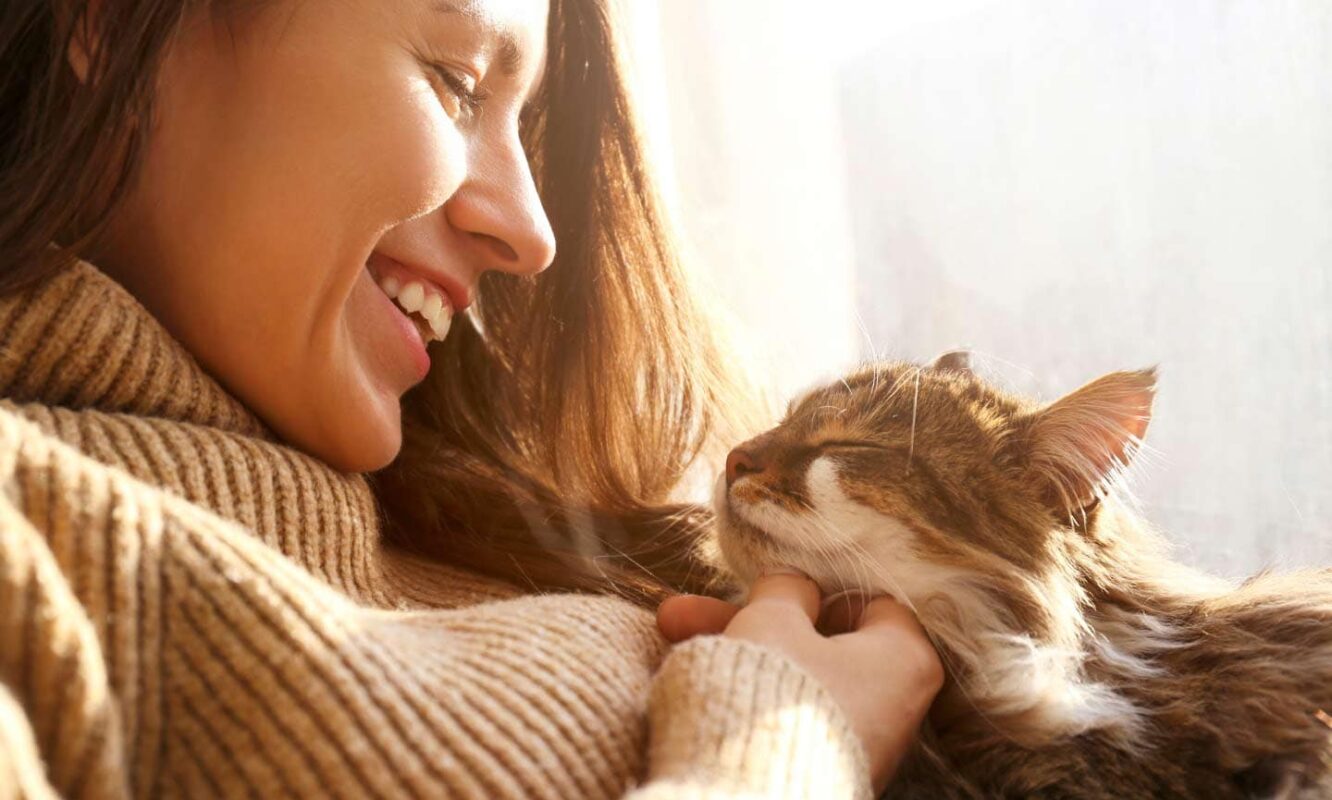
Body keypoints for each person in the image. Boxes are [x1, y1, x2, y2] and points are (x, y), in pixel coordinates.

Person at [0, 0, 943, 797]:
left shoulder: (501, 526)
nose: (533, 237)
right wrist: (784, 748)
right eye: (456, 85)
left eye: (523, 127)